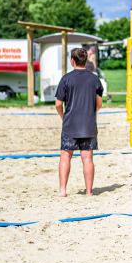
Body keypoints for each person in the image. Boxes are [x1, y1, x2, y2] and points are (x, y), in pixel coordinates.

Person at [55, 47, 104, 197]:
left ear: (72, 61)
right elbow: (99, 103)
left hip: (70, 124)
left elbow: (58, 104)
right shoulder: (94, 78)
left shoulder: (66, 78)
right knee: (87, 158)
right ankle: (89, 191)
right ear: (86, 60)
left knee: (65, 156)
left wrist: (63, 116)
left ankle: (63, 190)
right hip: (88, 124)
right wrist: (91, 113)